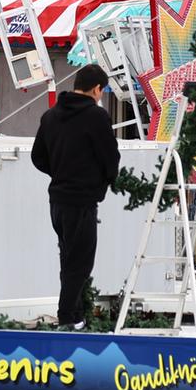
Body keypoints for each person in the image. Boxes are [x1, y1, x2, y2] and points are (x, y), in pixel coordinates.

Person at [32, 64, 119, 329]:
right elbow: (110, 158)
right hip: (82, 200)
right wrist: (103, 180)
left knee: (68, 258)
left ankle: (78, 316)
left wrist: (59, 171)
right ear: (96, 89)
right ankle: (67, 319)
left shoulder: (50, 116)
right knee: (80, 263)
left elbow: (38, 157)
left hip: (57, 201)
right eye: (101, 91)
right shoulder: (96, 116)